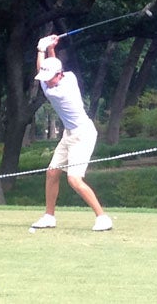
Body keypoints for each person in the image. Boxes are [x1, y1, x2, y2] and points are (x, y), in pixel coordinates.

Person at [31, 35, 113, 231]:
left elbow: (43, 66)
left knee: (74, 180)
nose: (46, 82)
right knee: (52, 173)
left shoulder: (56, 92)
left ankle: (102, 218)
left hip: (83, 134)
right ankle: (49, 216)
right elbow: (50, 66)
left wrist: (41, 49)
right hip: (69, 134)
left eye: (49, 78)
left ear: (58, 75)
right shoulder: (68, 77)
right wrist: (51, 49)